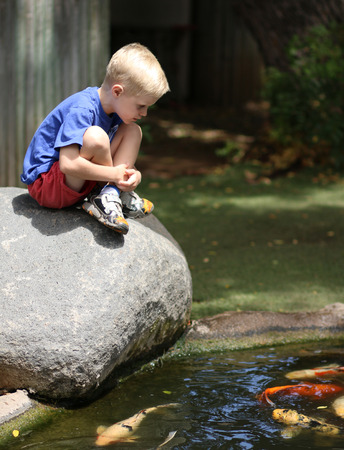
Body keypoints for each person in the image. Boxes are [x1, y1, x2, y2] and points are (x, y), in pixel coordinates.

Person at [20, 43, 170, 234]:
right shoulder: (83, 108)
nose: (145, 113)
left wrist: (133, 176)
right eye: (141, 106)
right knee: (96, 137)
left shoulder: (117, 111)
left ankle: (112, 193)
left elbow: (108, 161)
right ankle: (109, 192)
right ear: (117, 91)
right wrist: (115, 175)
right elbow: (67, 164)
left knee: (133, 131)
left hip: (79, 181)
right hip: (48, 185)